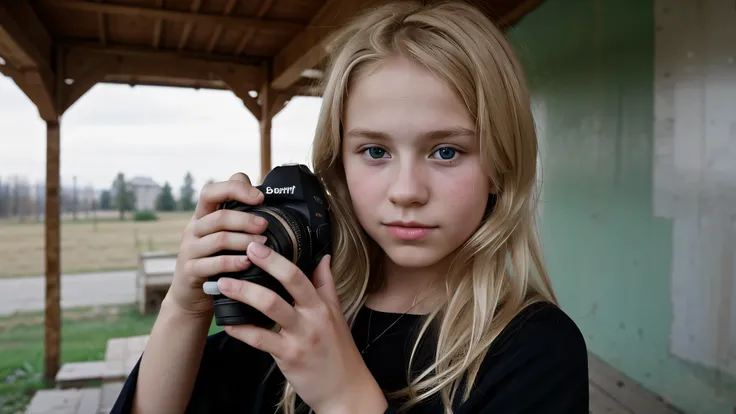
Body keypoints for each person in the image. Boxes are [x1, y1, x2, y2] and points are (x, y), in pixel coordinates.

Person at [111, 1, 589, 413]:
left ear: (501, 164)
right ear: (337, 165)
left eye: (446, 151)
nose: (406, 191)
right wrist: (185, 307)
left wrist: (344, 399)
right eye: (375, 151)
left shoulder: (537, 350)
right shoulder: (290, 309)